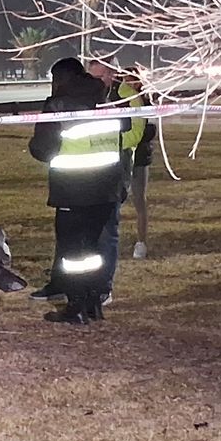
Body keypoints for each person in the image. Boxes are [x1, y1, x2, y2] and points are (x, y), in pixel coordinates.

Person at [27, 58, 126, 324]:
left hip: (74, 189)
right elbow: (123, 131)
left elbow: (43, 148)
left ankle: (76, 308)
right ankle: (94, 302)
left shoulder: (58, 104)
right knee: (93, 250)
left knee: (72, 254)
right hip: (106, 188)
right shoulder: (108, 99)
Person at [87, 57, 146, 298]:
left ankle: (104, 288)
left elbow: (136, 133)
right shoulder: (87, 95)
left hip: (117, 167)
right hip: (88, 169)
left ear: (112, 75)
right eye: (92, 77)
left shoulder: (128, 96)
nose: (97, 81)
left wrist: (106, 143)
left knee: (106, 230)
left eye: (101, 76)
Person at [123, 67, 158, 258]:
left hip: (140, 158)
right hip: (121, 156)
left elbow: (151, 130)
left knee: (139, 200)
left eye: (131, 81)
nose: (128, 85)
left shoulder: (145, 101)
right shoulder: (118, 100)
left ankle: (141, 242)